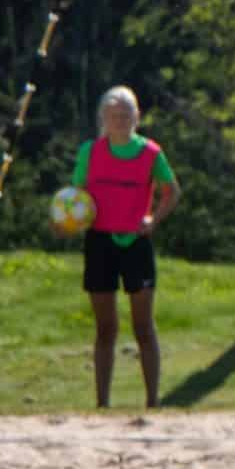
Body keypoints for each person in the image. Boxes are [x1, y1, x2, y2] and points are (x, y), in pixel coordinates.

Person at [73, 85, 179, 409]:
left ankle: (153, 401)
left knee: (143, 326)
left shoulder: (150, 153)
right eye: (113, 116)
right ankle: (102, 403)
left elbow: (172, 191)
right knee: (106, 328)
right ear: (103, 119)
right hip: (100, 241)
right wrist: (71, 220)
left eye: (125, 115)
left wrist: (154, 219)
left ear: (137, 117)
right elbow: (76, 197)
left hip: (136, 242)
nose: (119, 121)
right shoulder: (90, 152)